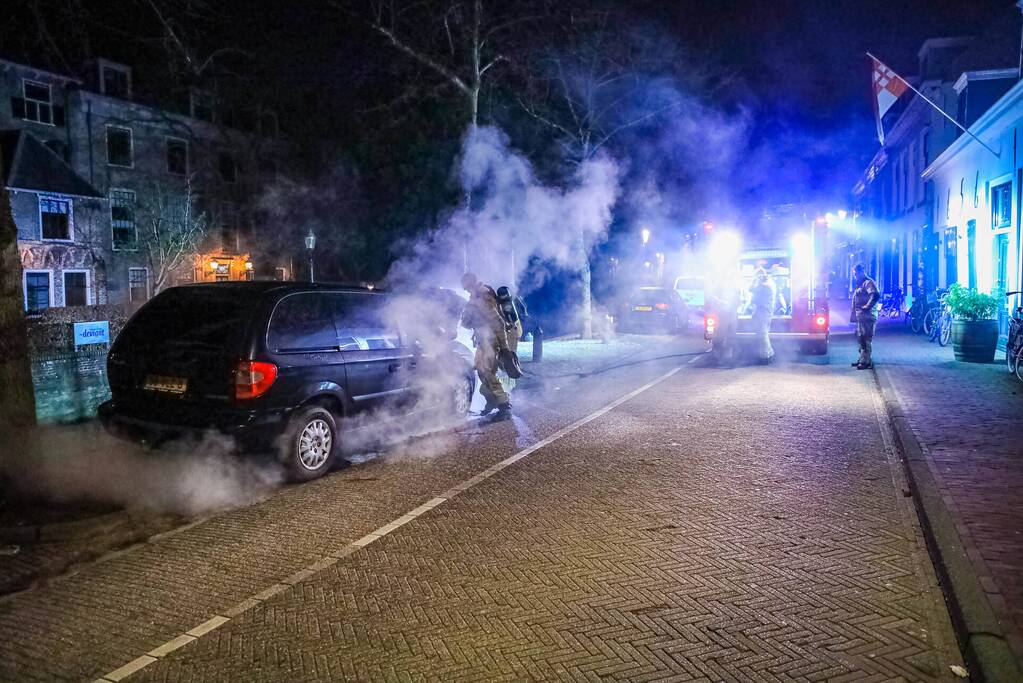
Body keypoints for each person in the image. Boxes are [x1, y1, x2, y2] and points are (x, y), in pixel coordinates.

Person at [460, 272, 512, 421]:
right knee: (482, 372)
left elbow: (498, 322)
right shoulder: (475, 298)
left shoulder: (483, 297)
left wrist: (504, 347)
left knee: (486, 372)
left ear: (471, 285)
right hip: (483, 341)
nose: (466, 291)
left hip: (490, 341)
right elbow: (467, 323)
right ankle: (494, 402)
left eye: (466, 288)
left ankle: (504, 405)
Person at [850, 263, 880, 369]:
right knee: (860, 337)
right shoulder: (861, 283)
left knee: (865, 338)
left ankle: (865, 361)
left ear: (862, 272)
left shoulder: (868, 282)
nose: (855, 275)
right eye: (854, 273)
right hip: (861, 316)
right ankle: (863, 358)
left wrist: (867, 306)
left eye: (856, 273)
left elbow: (875, 295)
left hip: (867, 316)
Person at [749, 268, 776, 364]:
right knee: (763, 334)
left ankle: (766, 356)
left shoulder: (764, 286)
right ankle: (767, 355)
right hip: (765, 311)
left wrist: (754, 281)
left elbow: (751, 290)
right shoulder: (769, 283)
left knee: (762, 334)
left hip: (763, 312)